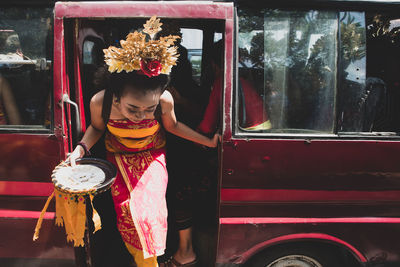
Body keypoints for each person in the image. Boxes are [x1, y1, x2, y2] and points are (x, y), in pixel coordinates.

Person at [67, 17, 219, 267]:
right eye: (133, 109)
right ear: (115, 96)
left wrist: (207, 142)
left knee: (150, 213)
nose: (142, 116)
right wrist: (80, 149)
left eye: (150, 109)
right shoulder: (100, 102)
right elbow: (96, 128)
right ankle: (143, 261)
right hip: (117, 159)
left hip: (153, 157)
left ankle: (150, 261)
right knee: (128, 214)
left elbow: (173, 127)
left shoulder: (166, 100)